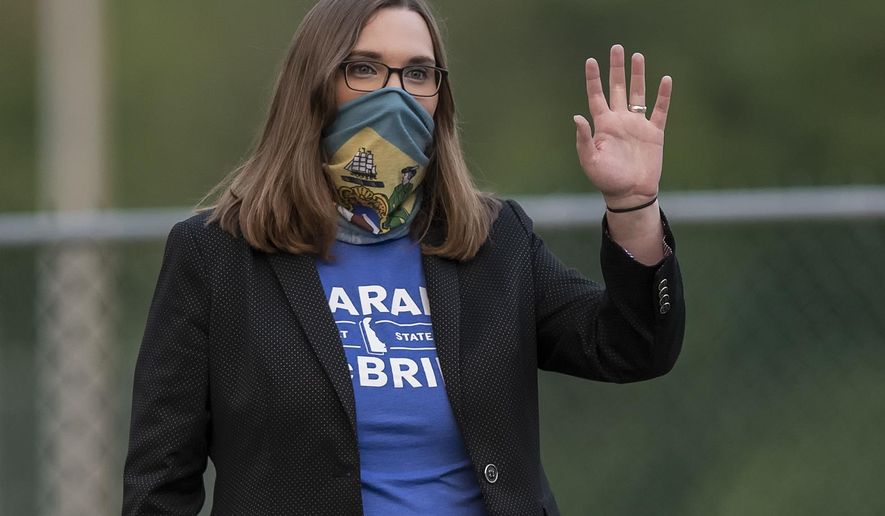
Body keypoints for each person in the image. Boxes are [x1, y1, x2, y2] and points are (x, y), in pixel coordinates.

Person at [122, 0, 685, 514]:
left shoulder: (496, 243)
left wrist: (633, 205)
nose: (394, 94)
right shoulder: (217, 256)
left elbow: (631, 346)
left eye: (417, 73)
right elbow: (160, 482)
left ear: (440, 99)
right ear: (312, 87)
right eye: (363, 68)